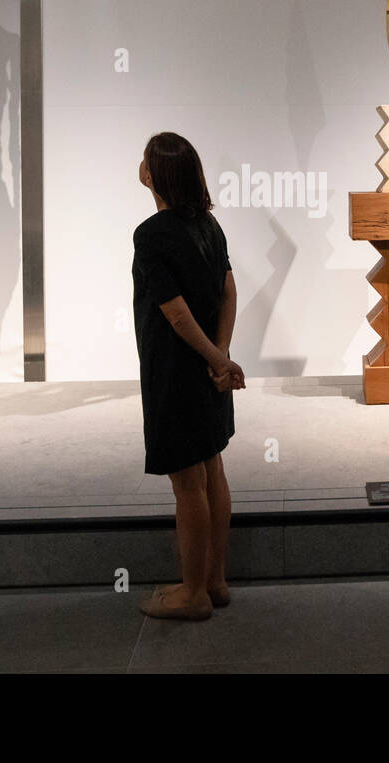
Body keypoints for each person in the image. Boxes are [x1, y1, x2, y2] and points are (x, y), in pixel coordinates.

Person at [132, 132, 245, 620]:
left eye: (146, 159)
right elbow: (229, 292)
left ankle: (193, 593)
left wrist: (213, 359)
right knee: (212, 467)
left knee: (188, 484)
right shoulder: (209, 226)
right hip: (209, 367)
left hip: (177, 371)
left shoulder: (152, 234)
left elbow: (175, 315)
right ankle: (215, 581)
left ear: (155, 176)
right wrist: (220, 355)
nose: (140, 164)